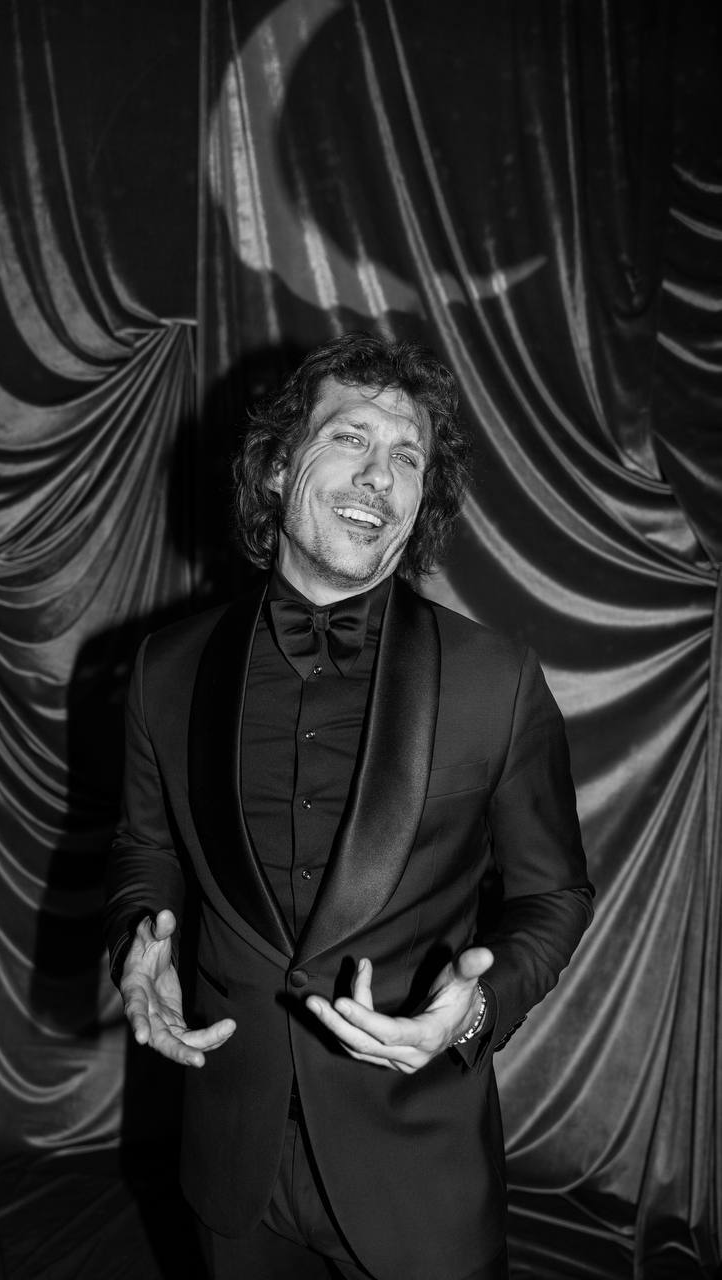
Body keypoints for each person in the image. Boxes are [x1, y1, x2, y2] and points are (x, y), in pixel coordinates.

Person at [104, 332, 593, 1280]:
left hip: (420, 1175)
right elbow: (144, 847)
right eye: (350, 438)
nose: (380, 474)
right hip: (229, 1159)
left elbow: (553, 896)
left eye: (407, 457)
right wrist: (137, 935)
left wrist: (475, 1011)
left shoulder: (495, 680)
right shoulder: (166, 668)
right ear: (277, 467)